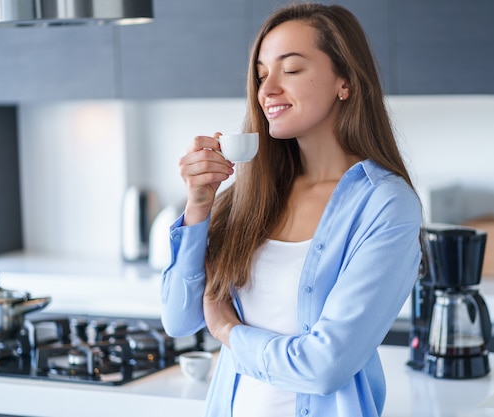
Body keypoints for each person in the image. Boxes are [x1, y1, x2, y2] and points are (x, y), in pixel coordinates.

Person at [160, 3, 422, 417]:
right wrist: (198, 205)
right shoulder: (250, 196)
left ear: (345, 81)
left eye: (292, 69)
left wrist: (228, 330)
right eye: (262, 75)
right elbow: (178, 319)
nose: (268, 90)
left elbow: (324, 367)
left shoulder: (385, 206)